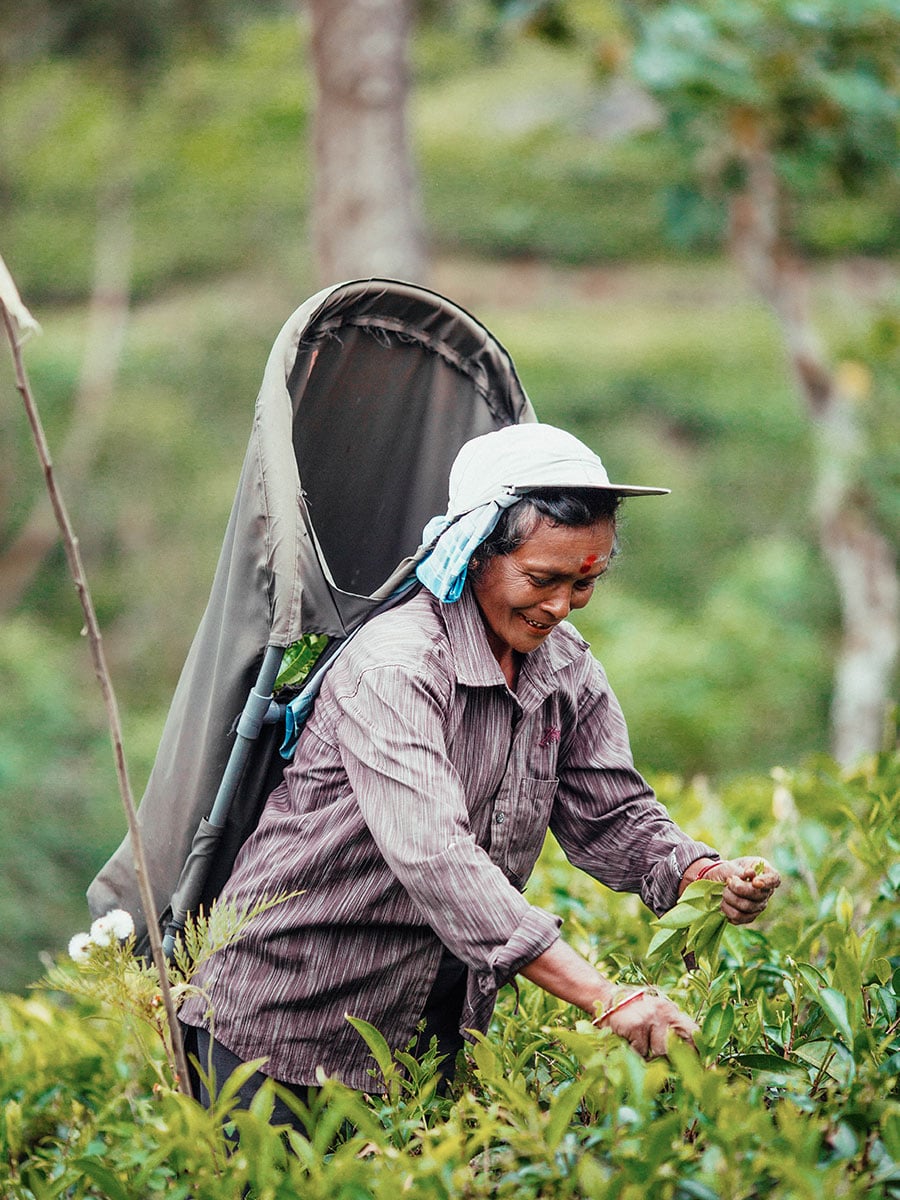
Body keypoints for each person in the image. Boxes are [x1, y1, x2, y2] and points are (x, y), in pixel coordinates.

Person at [178, 423, 780, 1120]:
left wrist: (697, 873)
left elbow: (611, 812)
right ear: (474, 554)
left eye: (585, 583)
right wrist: (605, 997)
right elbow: (436, 858)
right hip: (284, 1029)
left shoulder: (564, 665)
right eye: (542, 579)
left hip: (425, 1039)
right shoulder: (398, 667)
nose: (560, 607)